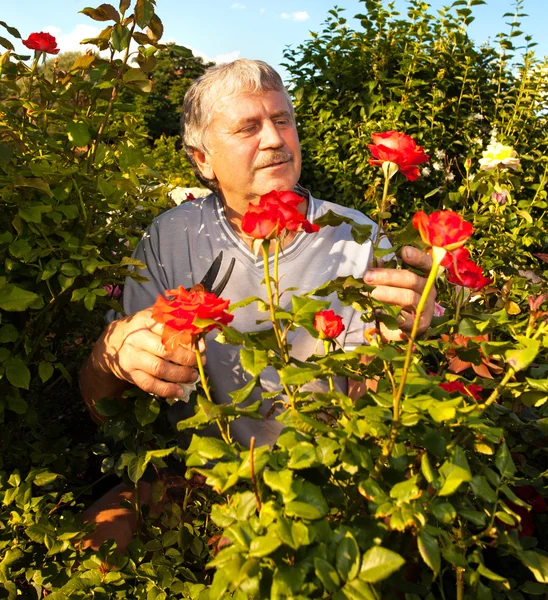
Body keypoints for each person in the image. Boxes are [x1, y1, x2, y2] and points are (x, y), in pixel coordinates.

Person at [79, 59, 435, 551]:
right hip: (194, 478)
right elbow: (106, 409)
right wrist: (110, 358)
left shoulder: (358, 240)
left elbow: (376, 402)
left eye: (282, 120)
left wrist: (405, 341)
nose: (274, 139)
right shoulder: (171, 238)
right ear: (202, 159)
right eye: (249, 127)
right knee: (90, 545)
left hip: (316, 477)